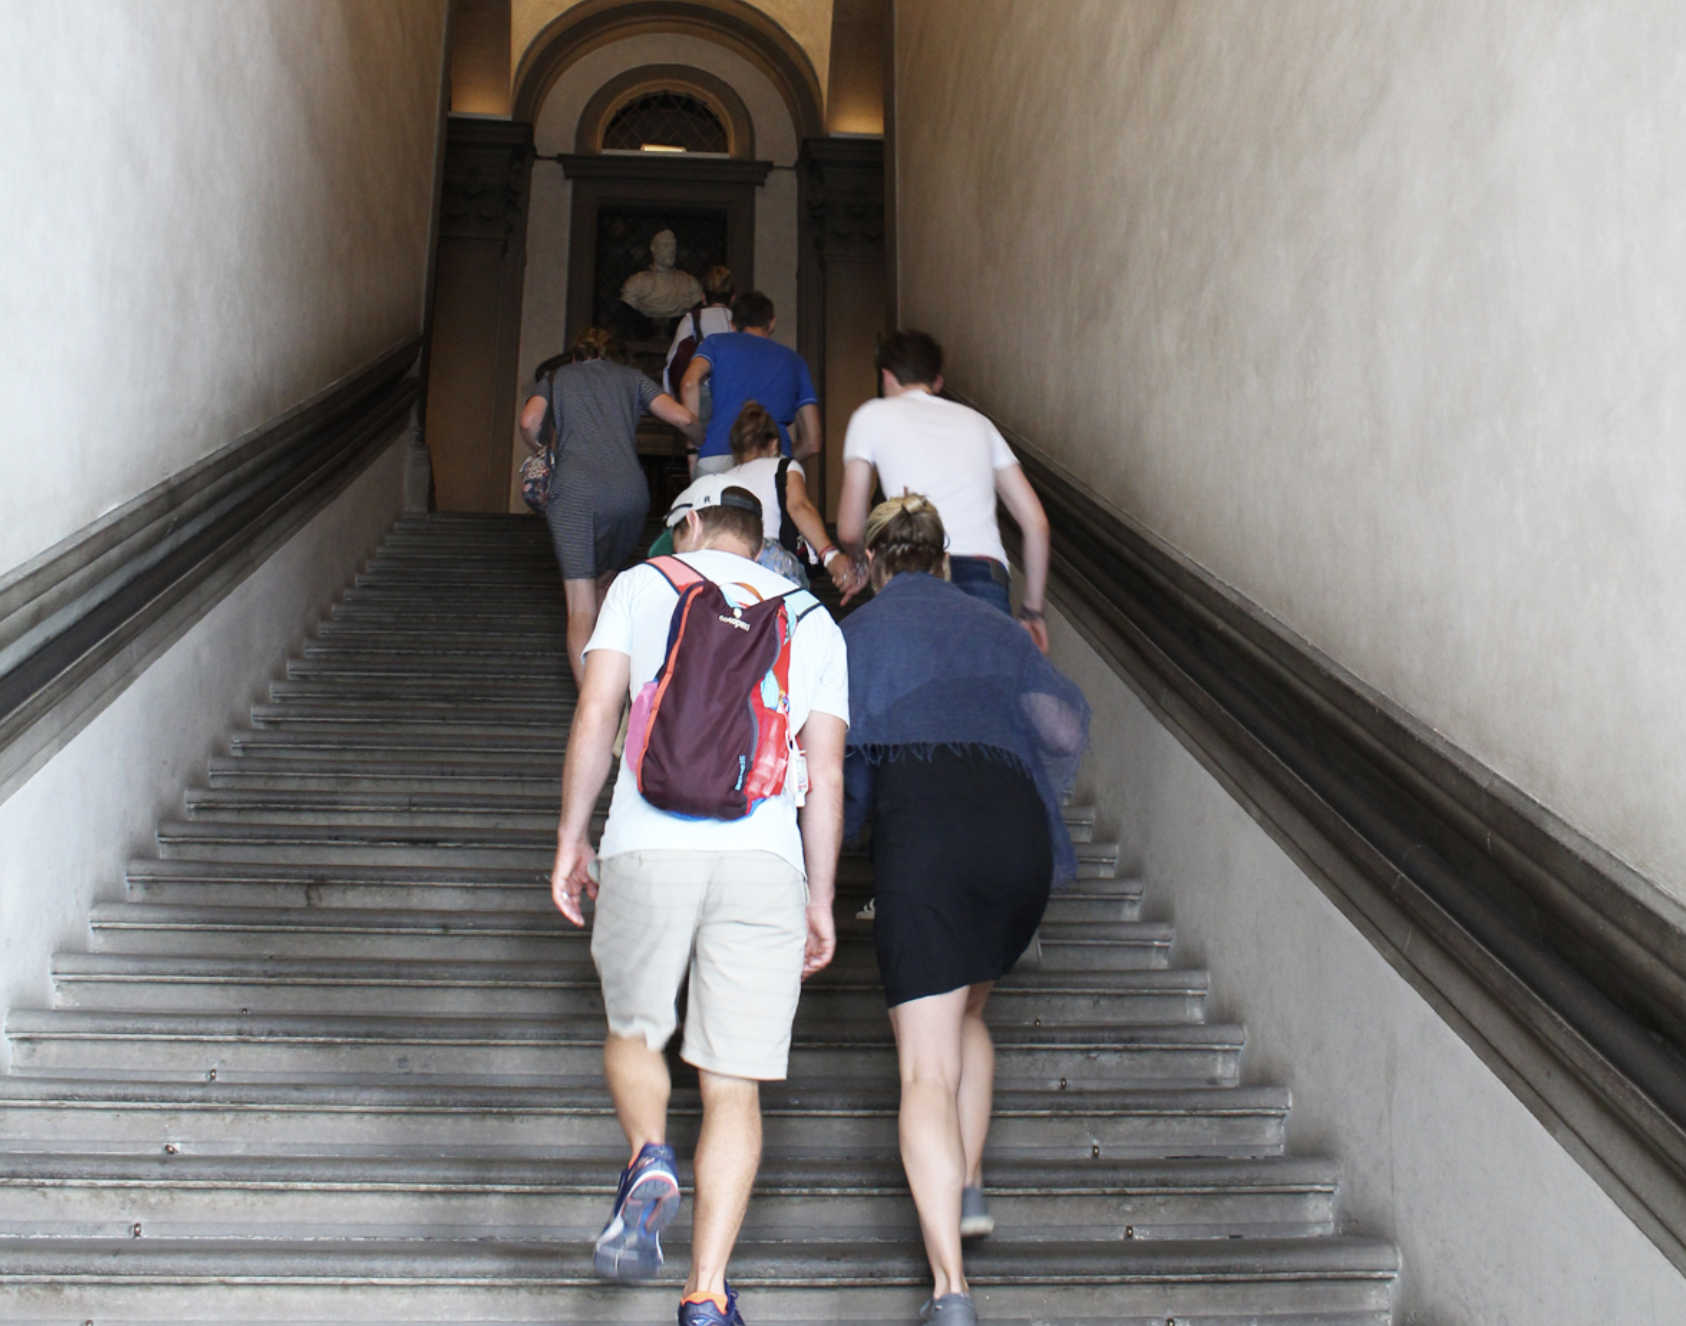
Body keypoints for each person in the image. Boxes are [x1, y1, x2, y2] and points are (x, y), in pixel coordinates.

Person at [549, 477, 849, 1326]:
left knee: (637, 1030)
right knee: (733, 1085)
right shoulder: (812, 616)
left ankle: (649, 1154)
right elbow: (824, 773)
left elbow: (597, 712)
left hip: (648, 844)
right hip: (764, 861)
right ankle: (707, 1294)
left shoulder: (644, 585)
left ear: (687, 525)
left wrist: (573, 837)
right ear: (760, 541)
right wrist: (819, 897)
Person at [840, 494, 1089, 1326]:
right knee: (972, 1006)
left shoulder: (859, 632)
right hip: (1014, 838)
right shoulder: (992, 626)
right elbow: (1059, 729)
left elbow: (833, 757)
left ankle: (950, 1293)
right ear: (944, 560)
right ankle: (970, 1182)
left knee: (925, 1068)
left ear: (875, 566)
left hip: (931, 841)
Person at [835, 330, 1054, 652]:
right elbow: (1037, 523)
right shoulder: (980, 423)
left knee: (918, 693)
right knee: (982, 697)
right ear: (937, 382)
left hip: (912, 570)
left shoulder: (871, 415)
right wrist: (1033, 609)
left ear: (886, 376)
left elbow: (851, 530)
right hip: (985, 574)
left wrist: (862, 563)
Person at [519, 327, 699, 688]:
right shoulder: (633, 378)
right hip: (629, 493)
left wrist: (541, 451)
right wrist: (703, 447)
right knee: (607, 583)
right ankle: (616, 684)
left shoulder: (557, 377)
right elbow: (683, 418)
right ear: (616, 356)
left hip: (574, 492)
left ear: (575, 355)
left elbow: (529, 422)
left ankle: (594, 705)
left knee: (580, 607)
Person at [661, 402, 849, 591]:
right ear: (774, 444)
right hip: (768, 555)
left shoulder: (725, 478)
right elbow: (799, 507)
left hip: (729, 558)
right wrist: (829, 555)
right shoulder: (784, 466)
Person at [680, 291, 820, 478]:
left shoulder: (714, 344)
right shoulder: (795, 362)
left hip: (718, 453)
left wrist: (696, 442)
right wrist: (784, 458)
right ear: (772, 322)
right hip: (774, 461)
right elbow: (813, 442)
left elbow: (689, 383)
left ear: (732, 324)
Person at [664, 264, 735, 397]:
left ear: (703, 297)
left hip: (699, 393)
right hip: (733, 393)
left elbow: (674, 358)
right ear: (733, 298)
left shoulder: (693, 319)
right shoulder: (741, 323)